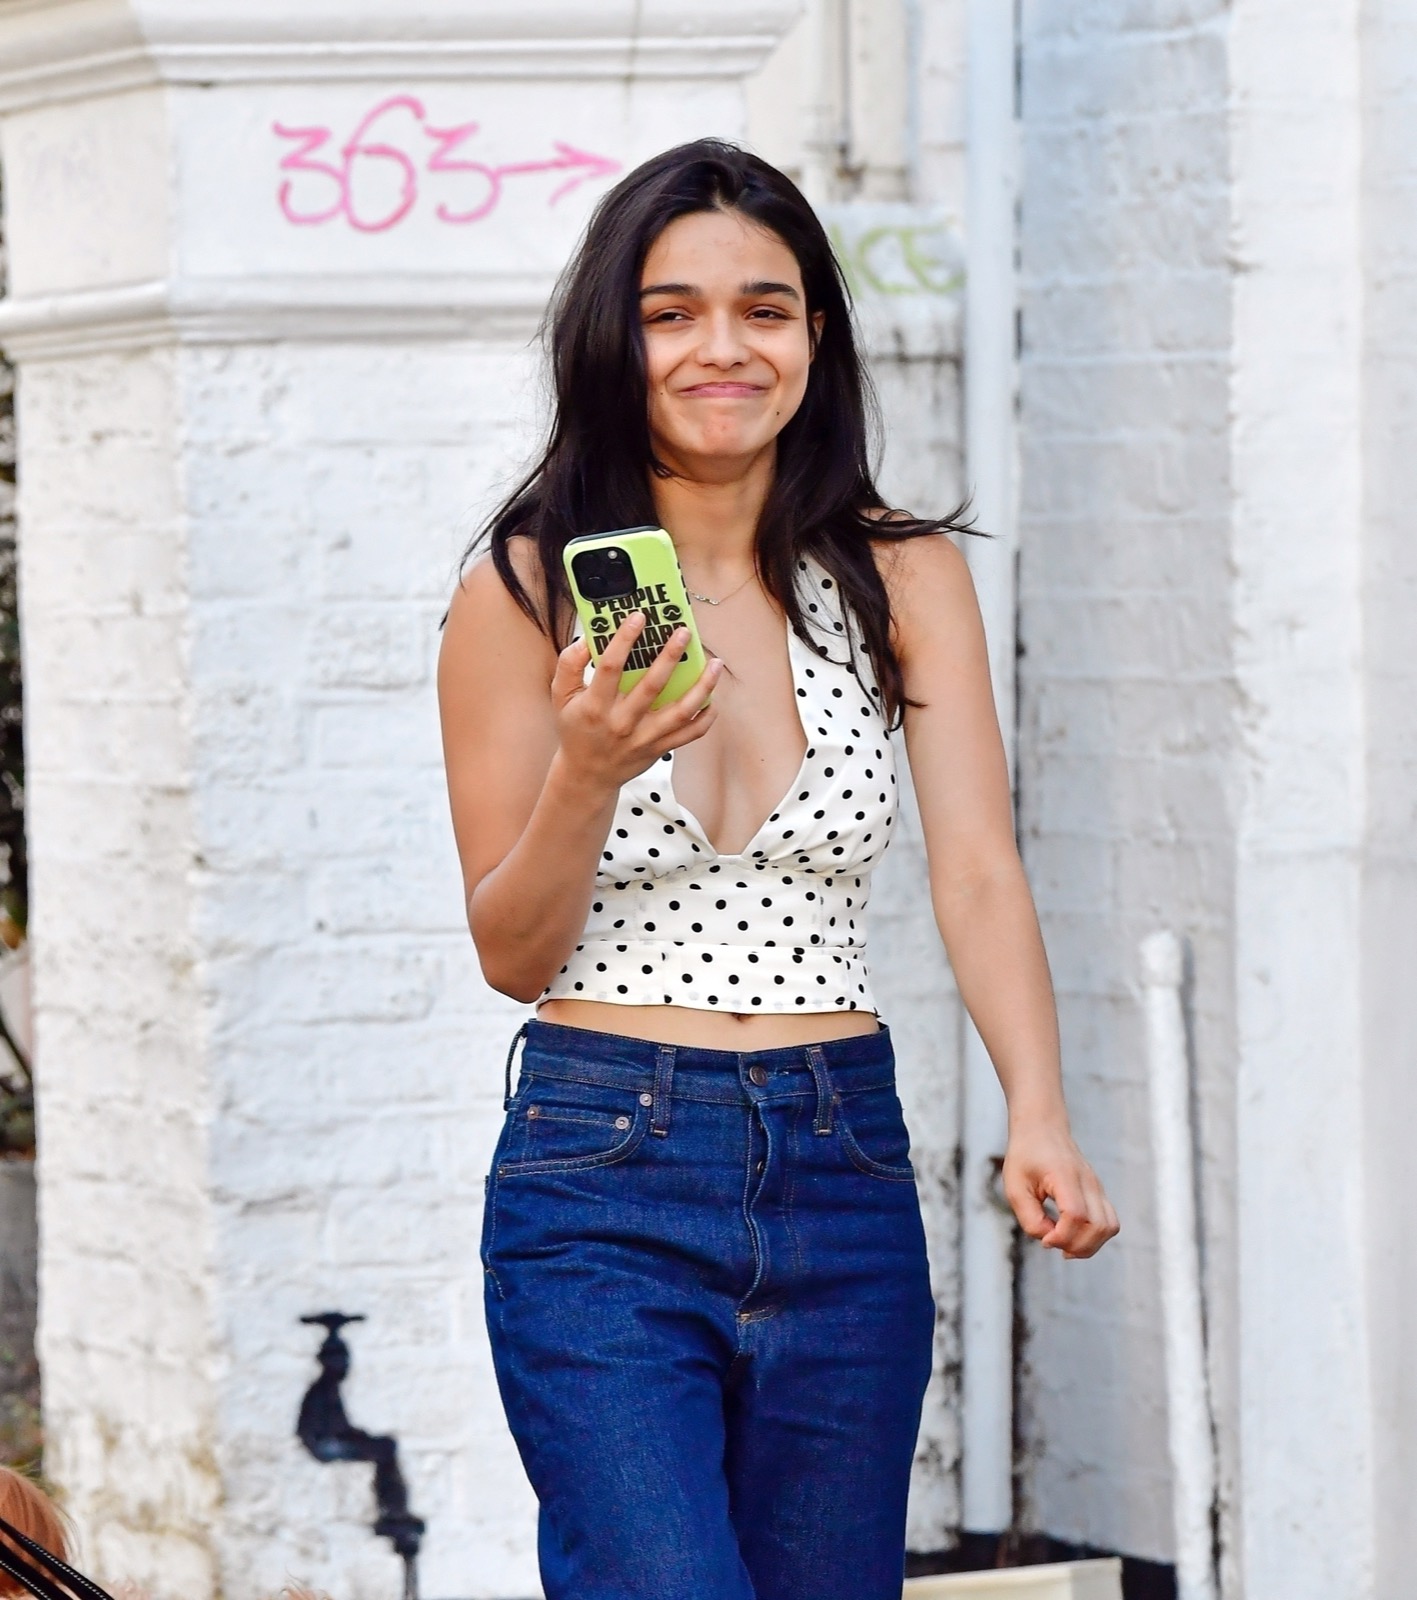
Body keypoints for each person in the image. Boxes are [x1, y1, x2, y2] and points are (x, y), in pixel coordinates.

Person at [438, 139, 1118, 1600]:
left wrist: (1040, 1112)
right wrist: (589, 769)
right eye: (671, 312)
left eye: (765, 308)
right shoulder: (527, 585)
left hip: (840, 1160)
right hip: (604, 1169)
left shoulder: (900, 575)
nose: (723, 347)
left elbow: (977, 871)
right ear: (612, 339)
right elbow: (510, 949)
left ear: (815, 334)